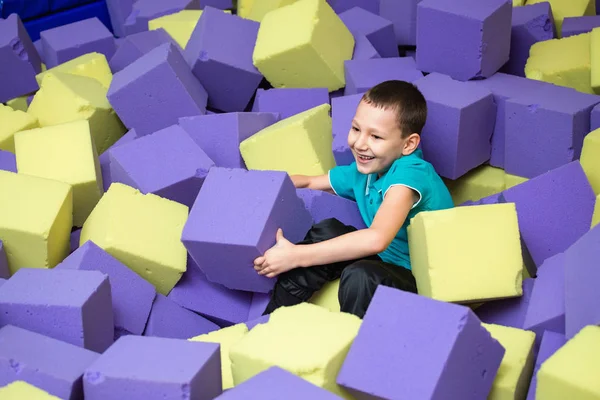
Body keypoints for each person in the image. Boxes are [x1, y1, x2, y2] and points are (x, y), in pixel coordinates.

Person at [253, 80, 454, 318]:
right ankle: (270, 322)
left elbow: (377, 239)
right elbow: (308, 182)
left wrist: (295, 256)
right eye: (356, 129)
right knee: (327, 231)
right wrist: (255, 190)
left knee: (361, 277)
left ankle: (354, 349)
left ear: (408, 144)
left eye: (376, 137)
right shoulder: (365, 171)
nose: (359, 144)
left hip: (424, 280)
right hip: (386, 262)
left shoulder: (410, 174)